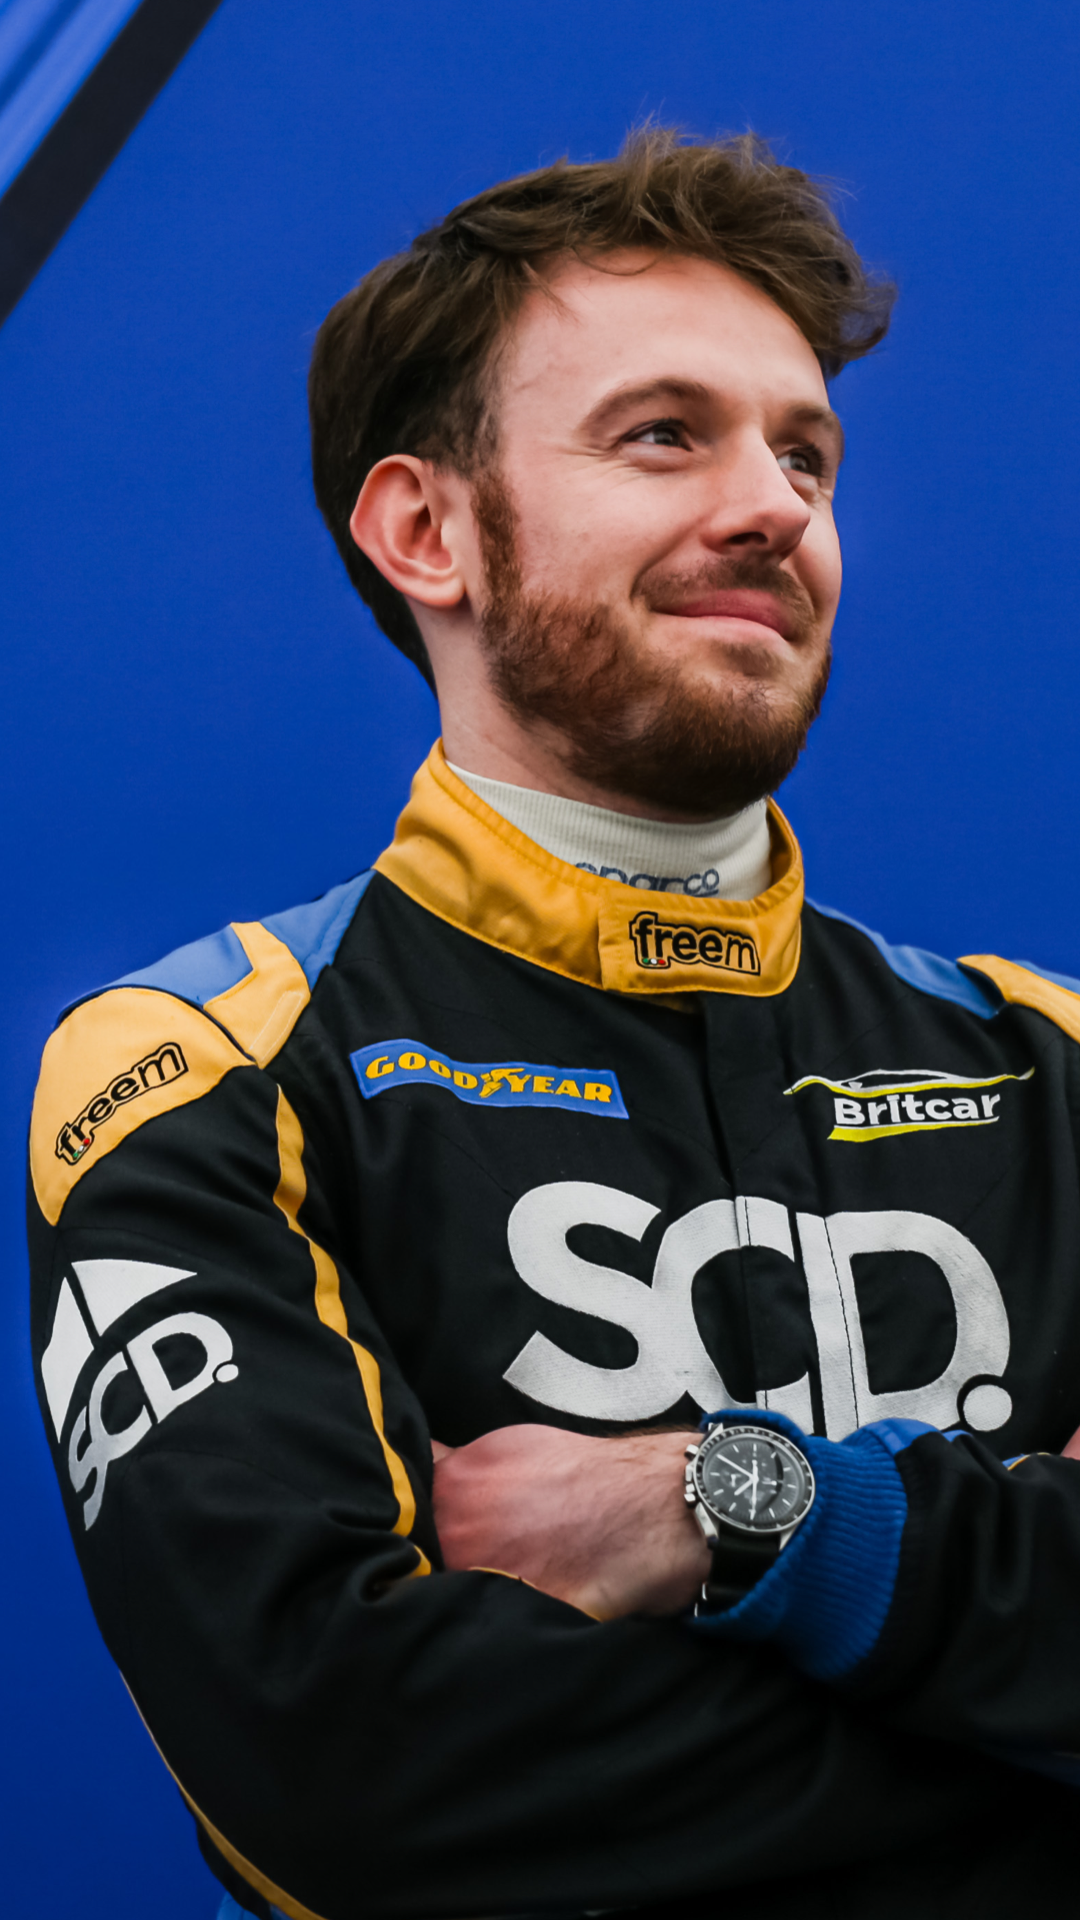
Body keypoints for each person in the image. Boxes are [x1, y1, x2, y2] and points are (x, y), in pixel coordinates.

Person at [27, 129, 1080, 1920]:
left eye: (805, 452)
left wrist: (743, 1506)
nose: (777, 508)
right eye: (665, 434)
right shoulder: (201, 1066)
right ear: (426, 530)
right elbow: (345, 1775)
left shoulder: (1049, 1065)